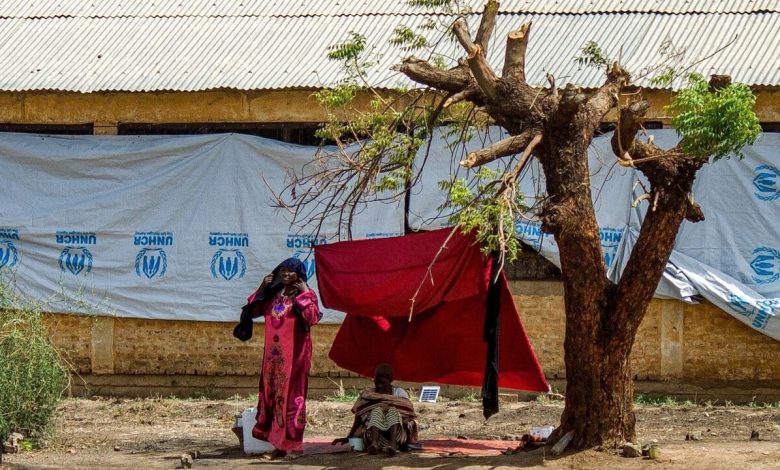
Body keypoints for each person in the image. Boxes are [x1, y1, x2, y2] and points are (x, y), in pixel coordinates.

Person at [236, 257, 321, 460]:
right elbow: (253, 310)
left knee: (292, 399)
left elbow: (312, 318)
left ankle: (293, 445)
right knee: (274, 397)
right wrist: (262, 287)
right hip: (273, 359)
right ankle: (279, 446)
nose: (285, 274)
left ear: (299, 275)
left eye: (290, 271)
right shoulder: (274, 296)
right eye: (282, 270)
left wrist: (304, 293)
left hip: (295, 358)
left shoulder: (306, 296)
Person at [332, 363, 418, 456]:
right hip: (371, 437)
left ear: (390, 381)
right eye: (377, 383)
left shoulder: (399, 393)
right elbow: (359, 416)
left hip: (397, 438)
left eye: (383, 383)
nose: (380, 386)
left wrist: (390, 412)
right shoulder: (369, 395)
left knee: (392, 410)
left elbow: (409, 416)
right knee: (377, 410)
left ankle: (393, 446)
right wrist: (348, 437)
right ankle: (374, 444)